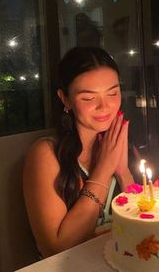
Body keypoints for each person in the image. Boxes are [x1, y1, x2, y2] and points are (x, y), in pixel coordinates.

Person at [23, 46, 134, 258]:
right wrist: (104, 169)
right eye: (88, 98)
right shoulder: (46, 154)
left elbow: (141, 216)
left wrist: (123, 171)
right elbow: (55, 248)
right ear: (65, 99)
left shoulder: (114, 142)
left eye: (113, 93)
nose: (105, 107)